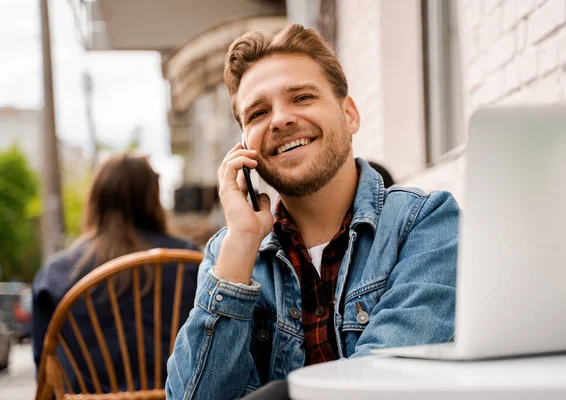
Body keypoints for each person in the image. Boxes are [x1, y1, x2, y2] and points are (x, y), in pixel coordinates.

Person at [166, 24, 460, 400]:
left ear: (349, 114)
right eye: (257, 113)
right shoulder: (230, 255)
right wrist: (241, 242)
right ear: (244, 149)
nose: (280, 120)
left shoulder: (425, 223)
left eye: (302, 97)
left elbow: (384, 387)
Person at [32, 153, 200, 393]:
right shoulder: (187, 258)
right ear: (152, 198)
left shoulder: (56, 273)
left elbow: (45, 370)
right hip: (178, 395)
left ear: (96, 198)